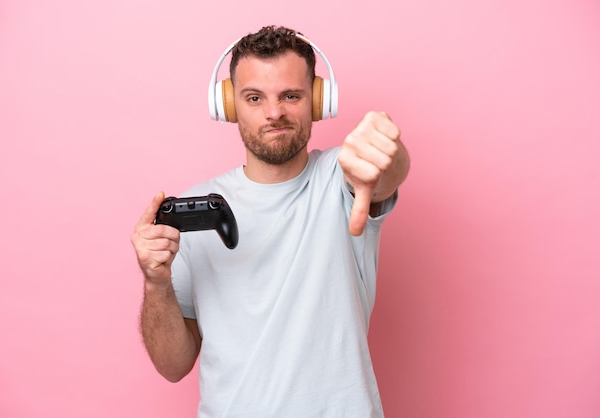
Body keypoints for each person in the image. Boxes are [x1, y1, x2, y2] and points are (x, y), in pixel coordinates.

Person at [131, 25, 410, 417]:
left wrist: (387, 152)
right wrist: (156, 283)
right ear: (229, 106)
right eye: (254, 97)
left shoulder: (340, 177)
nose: (274, 112)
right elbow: (173, 366)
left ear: (317, 100)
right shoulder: (195, 211)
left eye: (291, 95)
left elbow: (383, 174)